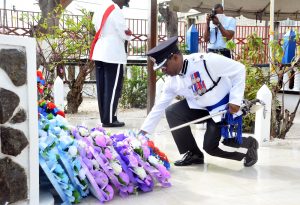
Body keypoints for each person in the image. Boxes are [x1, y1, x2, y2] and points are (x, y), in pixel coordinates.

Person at [140, 36, 258, 167]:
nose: (163, 70)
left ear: (175, 58)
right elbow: (159, 107)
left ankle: (248, 146)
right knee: (172, 112)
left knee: (211, 147)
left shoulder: (205, 61)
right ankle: (194, 154)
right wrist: (143, 133)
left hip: (223, 108)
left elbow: (239, 69)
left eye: (164, 66)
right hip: (201, 108)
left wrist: (235, 100)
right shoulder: (171, 81)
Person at [90, 0, 132, 127]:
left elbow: (95, 25)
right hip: (113, 53)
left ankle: (106, 117)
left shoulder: (100, 7)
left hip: (100, 50)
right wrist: (129, 34)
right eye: (124, 3)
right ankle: (109, 119)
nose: (123, 5)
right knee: (113, 88)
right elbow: (123, 32)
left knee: (102, 87)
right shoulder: (115, 9)